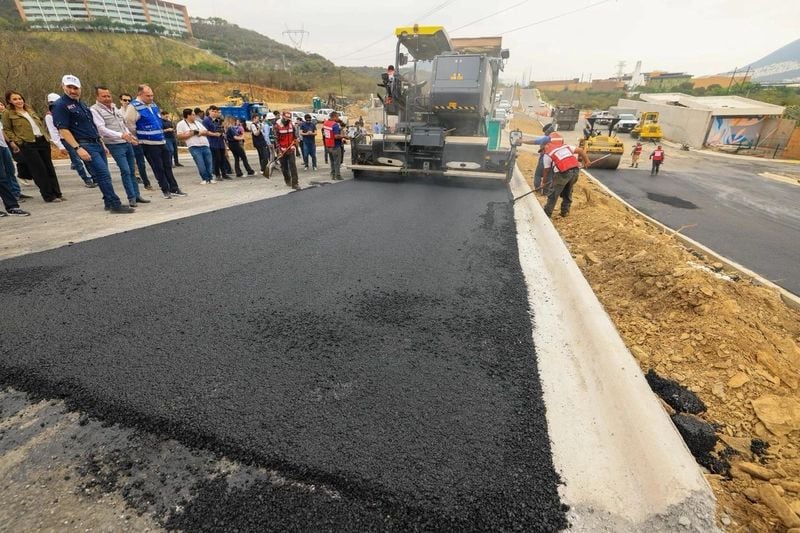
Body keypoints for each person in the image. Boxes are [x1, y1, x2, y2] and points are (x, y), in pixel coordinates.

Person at [52, 75, 134, 212]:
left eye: (75, 88)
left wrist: (101, 143)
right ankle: (115, 204)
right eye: (69, 87)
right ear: (63, 86)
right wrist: (78, 148)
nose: (73, 91)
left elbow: (92, 126)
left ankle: (108, 201)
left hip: (96, 142)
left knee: (103, 174)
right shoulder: (60, 105)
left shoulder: (81, 104)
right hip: (85, 144)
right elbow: (63, 130)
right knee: (103, 174)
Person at [91, 86, 149, 207]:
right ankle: (131, 197)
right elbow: (101, 129)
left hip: (126, 142)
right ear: (97, 97)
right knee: (125, 171)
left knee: (132, 170)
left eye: (109, 95)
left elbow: (122, 124)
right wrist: (121, 135)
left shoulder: (114, 107)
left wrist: (129, 136)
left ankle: (137, 195)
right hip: (114, 144)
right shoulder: (94, 110)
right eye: (104, 96)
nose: (107, 98)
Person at [124, 84, 185, 199]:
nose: (151, 98)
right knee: (158, 168)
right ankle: (165, 190)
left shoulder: (153, 105)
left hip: (161, 140)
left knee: (167, 166)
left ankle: (174, 188)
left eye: (152, 95)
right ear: (140, 94)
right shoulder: (134, 107)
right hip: (148, 143)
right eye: (148, 96)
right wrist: (138, 137)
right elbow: (129, 124)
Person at [2, 90, 63, 203]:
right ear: (9, 101)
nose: (18, 101)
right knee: (39, 170)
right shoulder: (8, 113)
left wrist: (47, 138)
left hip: (42, 140)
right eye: (15, 99)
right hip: (28, 143)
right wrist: (16, 141)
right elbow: (7, 129)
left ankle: (57, 193)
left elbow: (38, 124)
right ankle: (49, 196)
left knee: (49, 168)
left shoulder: (29, 109)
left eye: (20, 98)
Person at [45, 93, 96, 188]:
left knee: (87, 158)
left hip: (76, 137)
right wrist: (60, 146)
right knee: (76, 161)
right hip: (65, 140)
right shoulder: (49, 116)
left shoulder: (66, 109)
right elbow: (53, 132)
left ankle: (95, 176)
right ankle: (86, 179)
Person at [540, 143, 591, 218]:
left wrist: (544, 182)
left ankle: (547, 214)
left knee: (553, 194)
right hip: (575, 170)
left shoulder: (547, 154)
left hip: (563, 173)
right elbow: (580, 150)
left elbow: (546, 170)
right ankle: (565, 211)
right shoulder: (564, 146)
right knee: (568, 191)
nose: (542, 153)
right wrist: (587, 161)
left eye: (542, 151)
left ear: (544, 148)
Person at [120, 92, 152, 190]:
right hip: (125, 140)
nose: (127, 102)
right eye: (125, 100)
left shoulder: (134, 110)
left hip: (137, 139)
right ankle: (134, 179)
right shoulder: (118, 112)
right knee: (131, 163)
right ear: (120, 101)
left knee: (141, 162)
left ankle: (146, 181)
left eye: (129, 100)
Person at [0, 101, 30, 203]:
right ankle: (11, 195)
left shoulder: (4, 117)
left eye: (1, 104)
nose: (1, 107)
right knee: (2, 174)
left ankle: (16, 192)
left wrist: (11, 143)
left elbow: (3, 132)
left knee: (10, 169)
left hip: (4, 146)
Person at [176, 108, 214, 184]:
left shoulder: (198, 122)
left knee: (209, 162)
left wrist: (200, 133)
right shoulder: (181, 124)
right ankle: (204, 178)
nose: (195, 116)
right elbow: (179, 136)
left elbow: (205, 131)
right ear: (188, 115)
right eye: (193, 115)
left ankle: (210, 177)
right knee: (200, 163)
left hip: (204, 144)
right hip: (194, 146)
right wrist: (191, 133)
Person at [202, 105, 230, 180]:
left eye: (216, 111)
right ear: (209, 111)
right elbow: (205, 132)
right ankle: (217, 174)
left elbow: (221, 129)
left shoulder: (218, 120)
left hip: (220, 141)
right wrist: (214, 134)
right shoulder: (206, 120)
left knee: (223, 158)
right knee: (217, 159)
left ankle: (224, 173)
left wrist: (223, 131)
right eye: (213, 111)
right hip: (212, 142)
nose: (215, 113)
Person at [274, 110, 300, 189]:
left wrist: (296, 144)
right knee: (284, 167)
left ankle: (295, 183)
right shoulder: (277, 126)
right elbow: (276, 140)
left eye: (289, 119)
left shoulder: (291, 125)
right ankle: (287, 180)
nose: (288, 120)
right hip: (282, 150)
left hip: (291, 149)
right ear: (283, 117)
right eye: (286, 119)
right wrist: (279, 151)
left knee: (293, 166)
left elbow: (295, 137)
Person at [322, 111, 344, 181]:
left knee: (332, 161)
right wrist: (344, 136)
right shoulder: (335, 125)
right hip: (335, 145)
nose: (338, 118)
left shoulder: (326, 123)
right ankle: (338, 175)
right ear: (334, 117)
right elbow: (336, 136)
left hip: (328, 145)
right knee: (337, 161)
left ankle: (333, 175)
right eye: (337, 117)